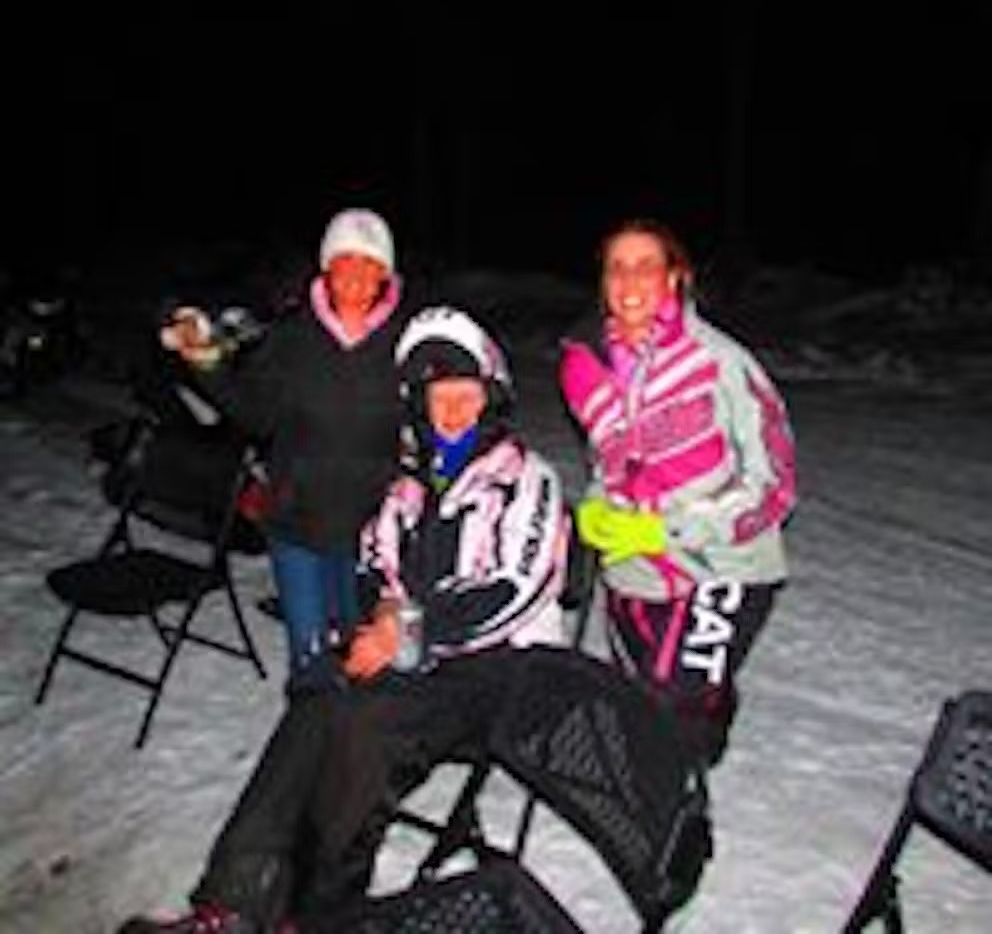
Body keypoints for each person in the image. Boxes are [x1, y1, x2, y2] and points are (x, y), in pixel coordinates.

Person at [118, 306, 570, 933]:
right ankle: (231, 902)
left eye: (466, 395)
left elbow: (514, 590)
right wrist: (379, 611)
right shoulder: (408, 483)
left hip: (502, 676)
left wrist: (402, 628)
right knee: (319, 691)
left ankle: (319, 915)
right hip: (416, 662)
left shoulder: (527, 480)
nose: (452, 412)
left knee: (360, 731)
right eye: (438, 397)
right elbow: (371, 561)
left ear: (491, 395)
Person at [559, 218, 796, 764]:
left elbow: (775, 486)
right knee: (635, 703)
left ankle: (682, 785)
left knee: (671, 710)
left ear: (675, 277)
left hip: (724, 563)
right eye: (616, 268)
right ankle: (705, 711)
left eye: (646, 266)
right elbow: (610, 465)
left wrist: (662, 531)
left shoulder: (719, 362)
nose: (629, 281)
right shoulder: (591, 368)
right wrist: (596, 508)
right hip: (636, 568)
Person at [161, 209, 410, 690]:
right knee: (311, 660)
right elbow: (257, 415)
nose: (356, 275)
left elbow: (434, 416)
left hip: (372, 535)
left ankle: (356, 735)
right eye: (345, 261)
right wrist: (208, 365)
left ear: (386, 274)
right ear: (326, 268)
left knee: (364, 659)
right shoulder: (292, 336)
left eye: (370, 264)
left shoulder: (406, 342)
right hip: (299, 524)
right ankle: (311, 728)